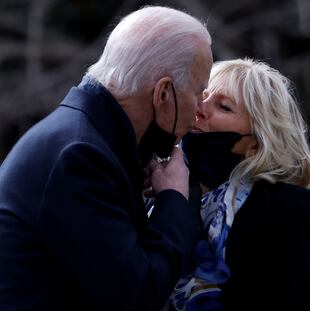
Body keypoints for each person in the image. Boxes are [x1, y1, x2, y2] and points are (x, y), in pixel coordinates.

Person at [0, 6, 213, 311]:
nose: (198, 114)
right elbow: (138, 296)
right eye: (198, 92)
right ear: (164, 93)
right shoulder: (80, 157)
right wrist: (173, 199)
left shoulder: (86, 141)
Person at [169, 58, 310, 310]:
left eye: (224, 106)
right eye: (201, 97)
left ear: (256, 143)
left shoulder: (287, 206)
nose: (200, 109)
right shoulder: (159, 194)